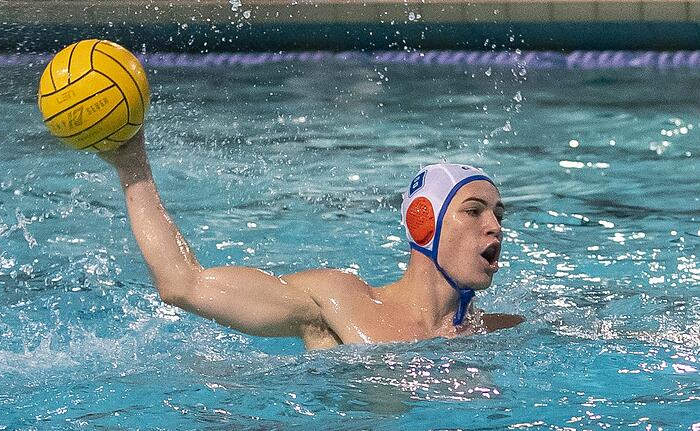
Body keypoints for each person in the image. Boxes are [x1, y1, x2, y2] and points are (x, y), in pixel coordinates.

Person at [100, 130, 524, 350]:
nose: (494, 226)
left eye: (498, 215)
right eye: (474, 211)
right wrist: (130, 161)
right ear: (422, 222)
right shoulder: (337, 303)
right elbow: (183, 284)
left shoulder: (500, 332)